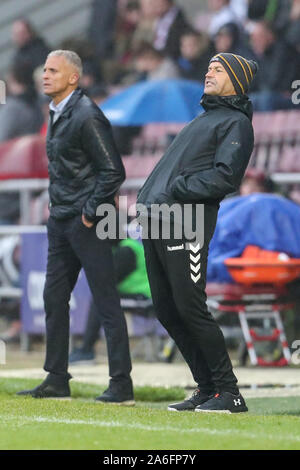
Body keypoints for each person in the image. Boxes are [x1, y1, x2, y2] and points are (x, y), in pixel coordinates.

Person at [137, 52, 258, 413]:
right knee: (166, 308)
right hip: (158, 220)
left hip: (187, 221)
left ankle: (230, 392)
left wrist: (177, 188)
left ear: (236, 78)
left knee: (190, 307)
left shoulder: (236, 123)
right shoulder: (203, 119)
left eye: (218, 69)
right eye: (208, 68)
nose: (209, 73)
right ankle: (207, 389)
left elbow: (226, 177)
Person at [17, 50, 134, 405]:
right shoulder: (57, 112)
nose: (45, 75)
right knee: (53, 297)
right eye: (44, 69)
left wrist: (88, 211)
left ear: (73, 78)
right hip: (62, 219)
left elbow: (114, 171)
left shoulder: (86, 114)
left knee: (105, 301)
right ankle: (56, 379)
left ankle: (121, 385)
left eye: (53, 70)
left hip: (89, 222)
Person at [69, 234, 152, 364]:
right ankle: (86, 349)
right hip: (138, 294)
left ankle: (87, 350)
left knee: (100, 298)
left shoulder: (126, 250)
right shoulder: (125, 246)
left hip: (144, 297)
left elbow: (106, 281)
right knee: (101, 297)